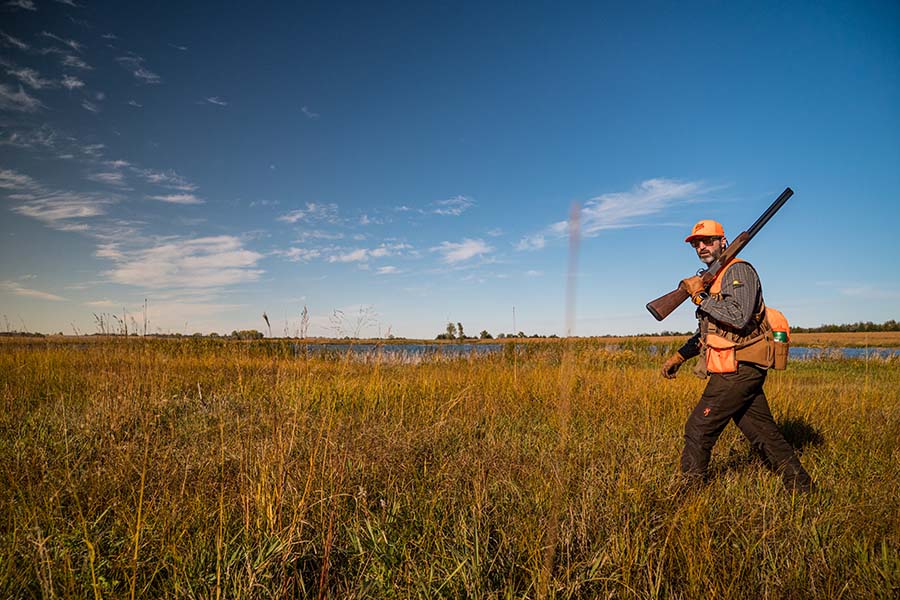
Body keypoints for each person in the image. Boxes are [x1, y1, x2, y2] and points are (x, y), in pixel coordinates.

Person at [660, 219, 814, 493]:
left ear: (723, 241)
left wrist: (699, 299)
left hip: (739, 368)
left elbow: (739, 318)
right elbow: (710, 333)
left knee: (698, 428)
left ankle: (688, 495)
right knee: (762, 432)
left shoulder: (738, 271)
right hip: (733, 366)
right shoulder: (714, 281)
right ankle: (801, 486)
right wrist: (679, 357)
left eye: (708, 240)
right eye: (697, 243)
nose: (702, 247)